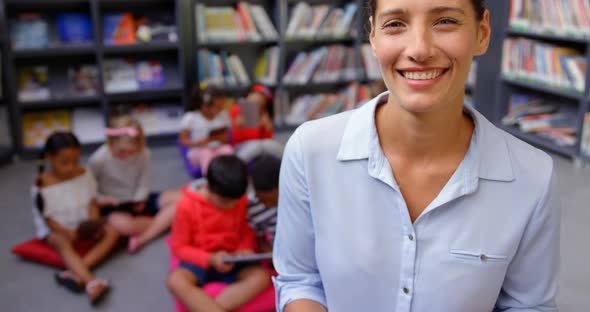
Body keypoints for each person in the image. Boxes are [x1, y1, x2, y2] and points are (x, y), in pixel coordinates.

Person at [273, 1, 561, 312]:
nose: (419, 49)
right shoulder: (310, 150)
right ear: (372, 36)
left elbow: (528, 305)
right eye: (395, 24)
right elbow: (300, 279)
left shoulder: (532, 176)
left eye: (445, 21)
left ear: (482, 33)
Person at [166, 155, 271, 312]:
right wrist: (210, 259)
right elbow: (179, 248)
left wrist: (244, 250)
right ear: (209, 187)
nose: (231, 206)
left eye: (235, 201)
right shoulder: (186, 206)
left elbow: (247, 231)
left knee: (261, 277)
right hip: (200, 259)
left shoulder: (241, 200)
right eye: (224, 202)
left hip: (232, 258)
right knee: (175, 281)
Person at [32, 132, 118, 306]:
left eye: (75, 161)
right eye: (64, 162)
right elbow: (47, 217)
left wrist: (93, 223)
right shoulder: (42, 184)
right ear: (49, 158)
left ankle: (75, 272)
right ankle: (90, 282)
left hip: (82, 224)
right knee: (59, 241)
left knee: (112, 231)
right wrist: (65, 231)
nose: (71, 167)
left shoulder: (84, 174)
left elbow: (92, 202)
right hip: (58, 229)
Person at [89, 115, 181, 253]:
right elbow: (89, 191)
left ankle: (144, 237)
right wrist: (104, 200)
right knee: (124, 226)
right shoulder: (98, 159)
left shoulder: (144, 154)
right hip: (112, 204)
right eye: (121, 151)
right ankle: (164, 222)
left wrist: (140, 198)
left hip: (136, 198)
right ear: (110, 142)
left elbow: (143, 181)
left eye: (131, 152)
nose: (126, 156)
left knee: (182, 200)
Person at [179, 85, 234, 174]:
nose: (221, 109)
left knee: (228, 151)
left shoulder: (223, 115)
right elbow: (182, 140)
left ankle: (227, 179)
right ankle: (210, 180)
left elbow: (227, 139)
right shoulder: (191, 118)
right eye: (218, 107)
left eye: (222, 106)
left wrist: (220, 138)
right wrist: (196, 143)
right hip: (198, 150)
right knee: (206, 154)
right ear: (205, 106)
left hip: (218, 147)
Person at [230, 85, 284, 163]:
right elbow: (233, 138)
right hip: (242, 145)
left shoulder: (263, 113)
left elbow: (268, 139)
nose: (260, 99)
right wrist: (237, 126)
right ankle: (236, 164)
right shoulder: (237, 109)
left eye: (264, 98)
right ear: (250, 94)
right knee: (258, 145)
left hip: (261, 144)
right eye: (259, 95)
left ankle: (289, 160)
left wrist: (268, 127)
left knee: (269, 144)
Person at [247, 155, 280, 252]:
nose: (267, 206)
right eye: (262, 200)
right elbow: (260, 238)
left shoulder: (300, 198)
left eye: (271, 201)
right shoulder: (253, 206)